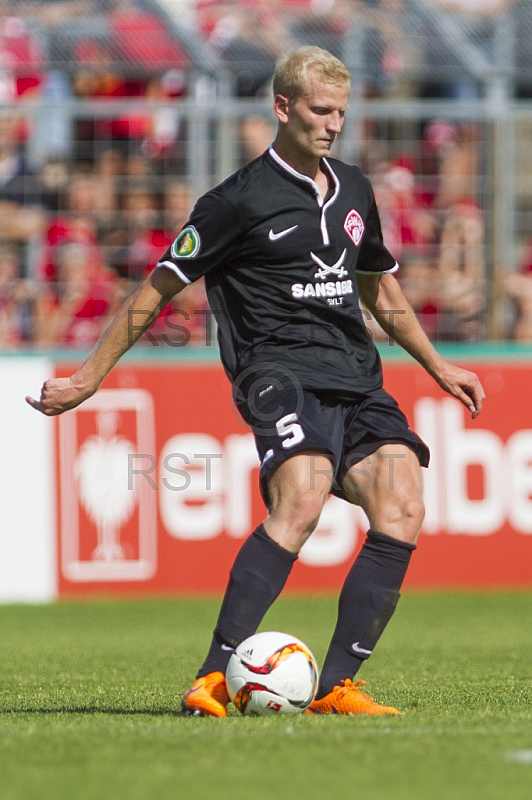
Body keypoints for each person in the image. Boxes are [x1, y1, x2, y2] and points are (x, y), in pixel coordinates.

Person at [26, 46, 485, 716]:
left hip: (355, 376)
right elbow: (152, 295)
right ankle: (212, 678)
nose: (332, 125)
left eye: (341, 113)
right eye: (320, 111)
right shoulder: (234, 202)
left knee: (404, 505)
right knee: (303, 497)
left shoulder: (354, 190)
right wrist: (87, 380)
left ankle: (335, 687)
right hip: (276, 373)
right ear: (283, 107)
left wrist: (439, 366)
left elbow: (380, 294)